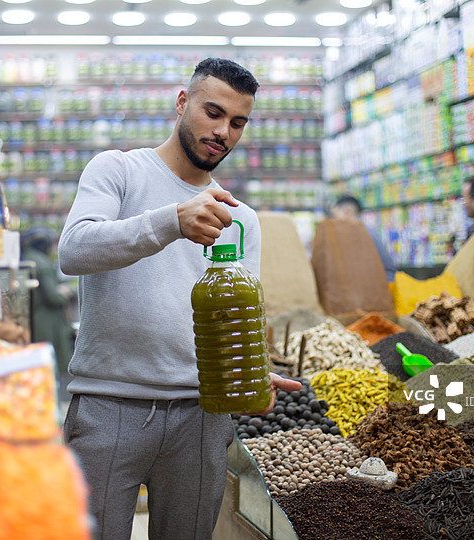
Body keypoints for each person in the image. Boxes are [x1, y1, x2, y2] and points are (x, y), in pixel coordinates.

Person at [57, 58, 301, 539]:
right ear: (182, 102)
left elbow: (234, 313)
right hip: (110, 406)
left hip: (202, 415)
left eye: (237, 122)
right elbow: (75, 249)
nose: (223, 132)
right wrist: (172, 221)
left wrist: (246, 369)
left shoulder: (239, 218)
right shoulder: (119, 171)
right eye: (213, 112)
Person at [21, 226, 75, 383]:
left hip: (32, 316)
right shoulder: (43, 263)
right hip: (47, 320)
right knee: (51, 361)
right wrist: (64, 294)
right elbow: (53, 297)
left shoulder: (27, 258)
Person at [330, 194, 397, 282]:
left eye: (335, 217)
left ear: (347, 212)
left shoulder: (361, 233)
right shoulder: (362, 230)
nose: (334, 222)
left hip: (381, 286)